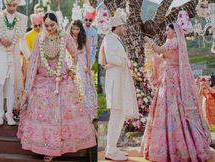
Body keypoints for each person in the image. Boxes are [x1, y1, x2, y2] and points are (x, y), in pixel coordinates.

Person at [17, 12, 96, 162]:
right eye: (46, 25)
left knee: (62, 112)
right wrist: (29, 86)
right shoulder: (40, 38)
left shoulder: (64, 37)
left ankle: (58, 147)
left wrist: (72, 70)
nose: (49, 28)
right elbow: (34, 61)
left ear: (57, 24)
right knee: (41, 108)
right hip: (43, 80)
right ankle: (43, 145)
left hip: (62, 80)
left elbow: (74, 55)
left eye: (52, 25)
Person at [141, 23, 213, 162]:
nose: (166, 31)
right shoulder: (172, 42)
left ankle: (174, 148)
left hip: (171, 78)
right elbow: (162, 56)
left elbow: (158, 49)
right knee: (170, 108)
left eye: (168, 29)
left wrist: (150, 42)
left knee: (172, 107)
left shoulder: (174, 42)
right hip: (169, 77)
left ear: (175, 32)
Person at [0, 0, 30, 126]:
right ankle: (0, 114)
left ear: (17, 5)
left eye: (14, 5)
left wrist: (30, 57)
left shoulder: (22, 19)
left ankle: (9, 115)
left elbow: (22, 40)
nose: (11, 8)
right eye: (9, 5)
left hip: (13, 58)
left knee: (11, 86)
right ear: (5, 4)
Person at [99, 9, 139, 161]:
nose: (126, 29)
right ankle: (110, 150)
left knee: (120, 115)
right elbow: (110, 58)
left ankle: (113, 147)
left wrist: (125, 61)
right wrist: (125, 62)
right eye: (124, 26)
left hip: (120, 81)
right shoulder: (110, 39)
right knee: (116, 115)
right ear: (117, 27)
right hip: (116, 83)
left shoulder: (115, 39)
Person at [68, 20, 98, 120]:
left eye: (77, 29)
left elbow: (88, 53)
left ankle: (86, 110)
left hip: (82, 62)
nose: (75, 31)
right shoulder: (68, 38)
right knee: (73, 85)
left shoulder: (84, 38)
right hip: (72, 62)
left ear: (80, 30)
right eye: (73, 29)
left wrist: (88, 66)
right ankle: (74, 109)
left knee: (84, 85)